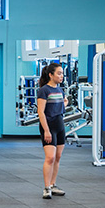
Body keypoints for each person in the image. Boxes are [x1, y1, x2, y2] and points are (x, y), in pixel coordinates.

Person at [36, 62, 67, 199]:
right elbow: (41, 112)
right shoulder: (44, 90)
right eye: (59, 73)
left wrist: (64, 103)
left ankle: (53, 185)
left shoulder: (60, 90)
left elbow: (63, 103)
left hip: (60, 125)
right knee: (50, 157)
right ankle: (46, 187)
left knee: (58, 157)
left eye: (62, 73)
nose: (61, 76)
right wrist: (46, 130)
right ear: (51, 75)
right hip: (48, 126)